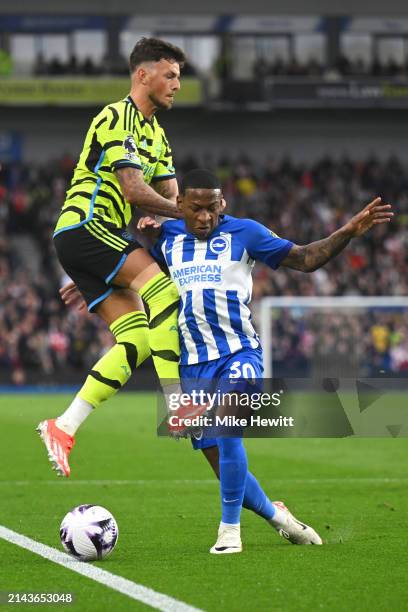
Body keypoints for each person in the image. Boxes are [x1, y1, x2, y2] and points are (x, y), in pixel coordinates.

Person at [137, 168, 393, 554]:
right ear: (179, 207)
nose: (206, 217)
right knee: (217, 460)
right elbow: (137, 275)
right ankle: (279, 518)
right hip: (192, 365)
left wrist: (346, 232)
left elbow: (305, 259)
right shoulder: (167, 236)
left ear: (223, 203)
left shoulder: (246, 233)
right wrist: (96, 279)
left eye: (213, 207)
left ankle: (229, 531)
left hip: (240, 352)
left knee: (228, 425)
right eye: (196, 209)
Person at [37, 37, 191, 477]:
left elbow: (168, 196)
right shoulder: (116, 116)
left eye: (179, 76)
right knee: (164, 293)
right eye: (170, 74)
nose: (177, 84)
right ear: (143, 74)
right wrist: (178, 211)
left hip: (89, 244)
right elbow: (133, 189)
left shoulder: (157, 136)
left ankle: (63, 426)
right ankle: (179, 403)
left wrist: (168, 213)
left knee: (139, 341)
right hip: (87, 226)